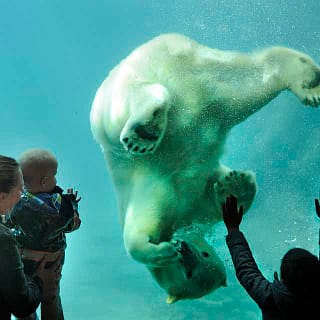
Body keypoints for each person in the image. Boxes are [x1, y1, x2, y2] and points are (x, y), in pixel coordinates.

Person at [5, 149, 81, 320]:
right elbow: (71, 224)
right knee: (50, 298)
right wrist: (73, 205)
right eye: (54, 175)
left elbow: (7, 222)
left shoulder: (15, 201)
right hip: (51, 260)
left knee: (25, 296)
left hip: (22, 257)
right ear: (45, 181)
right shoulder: (58, 206)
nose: (56, 179)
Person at [222, 194, 320, 320]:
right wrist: (233, 229)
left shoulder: (271, 298)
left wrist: (233, 229)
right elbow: (246, 270)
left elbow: (246, 268)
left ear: (282, 278)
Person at [0, 154, 60, 319]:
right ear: (2, 196)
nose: (22, 195)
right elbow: (22, 306)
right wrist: (39, 280)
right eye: (20, 190)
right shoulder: (3, 238)